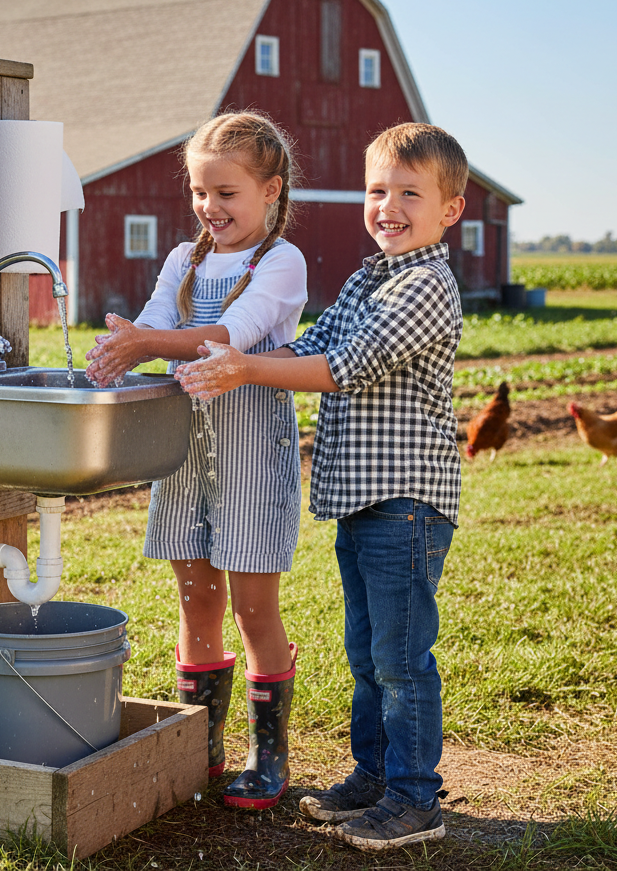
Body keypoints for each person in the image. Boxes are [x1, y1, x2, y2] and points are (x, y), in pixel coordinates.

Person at [175, 122, 467, 850]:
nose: (388, 205)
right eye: (377, 191)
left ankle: (414, 799)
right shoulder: (372, 276)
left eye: (409, 193)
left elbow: (345, 365)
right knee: (368, 654)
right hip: (363, 500)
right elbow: (308, 345)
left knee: (402, 660)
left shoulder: (426, 285)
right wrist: (228, 346)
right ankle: (373, 778)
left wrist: (243, 368)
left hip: (406, 502)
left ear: (450, 211)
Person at [85, 111, 308, 809]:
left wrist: (148, 341)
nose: (210, 208)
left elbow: (231, 337)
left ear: (270, 191)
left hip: (250, 454)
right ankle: (202, 749)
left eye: (227, 194)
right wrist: (126, 344)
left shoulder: (278, 262)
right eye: (199, 193)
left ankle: (267, 757)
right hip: (183, 458)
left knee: (251, 608)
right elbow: (155, 321)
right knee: (196, 600)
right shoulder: (181, 261)